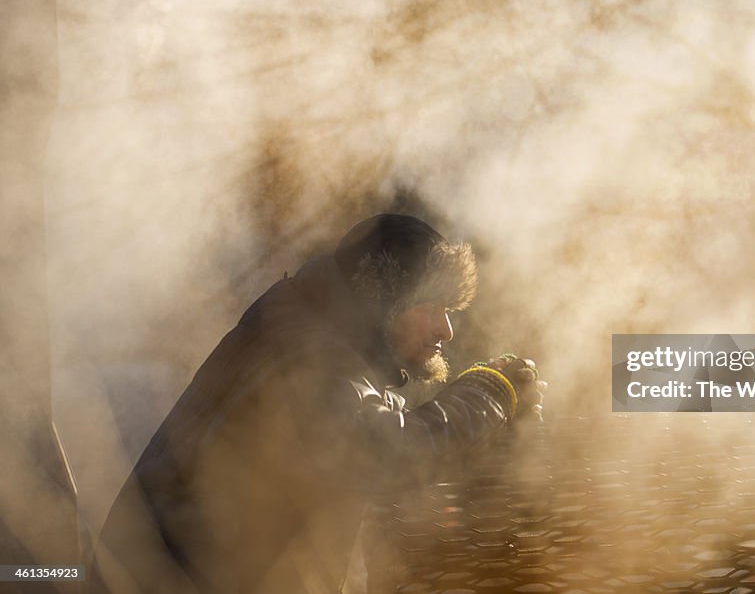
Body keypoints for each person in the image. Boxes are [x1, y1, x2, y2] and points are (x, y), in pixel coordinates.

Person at [87, 214, 545, 594]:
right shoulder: (304, 350)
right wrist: (491, 393)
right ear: (382, 299)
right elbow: (384, 454)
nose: (446, 329)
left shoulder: (329, 341)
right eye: (432, 306)